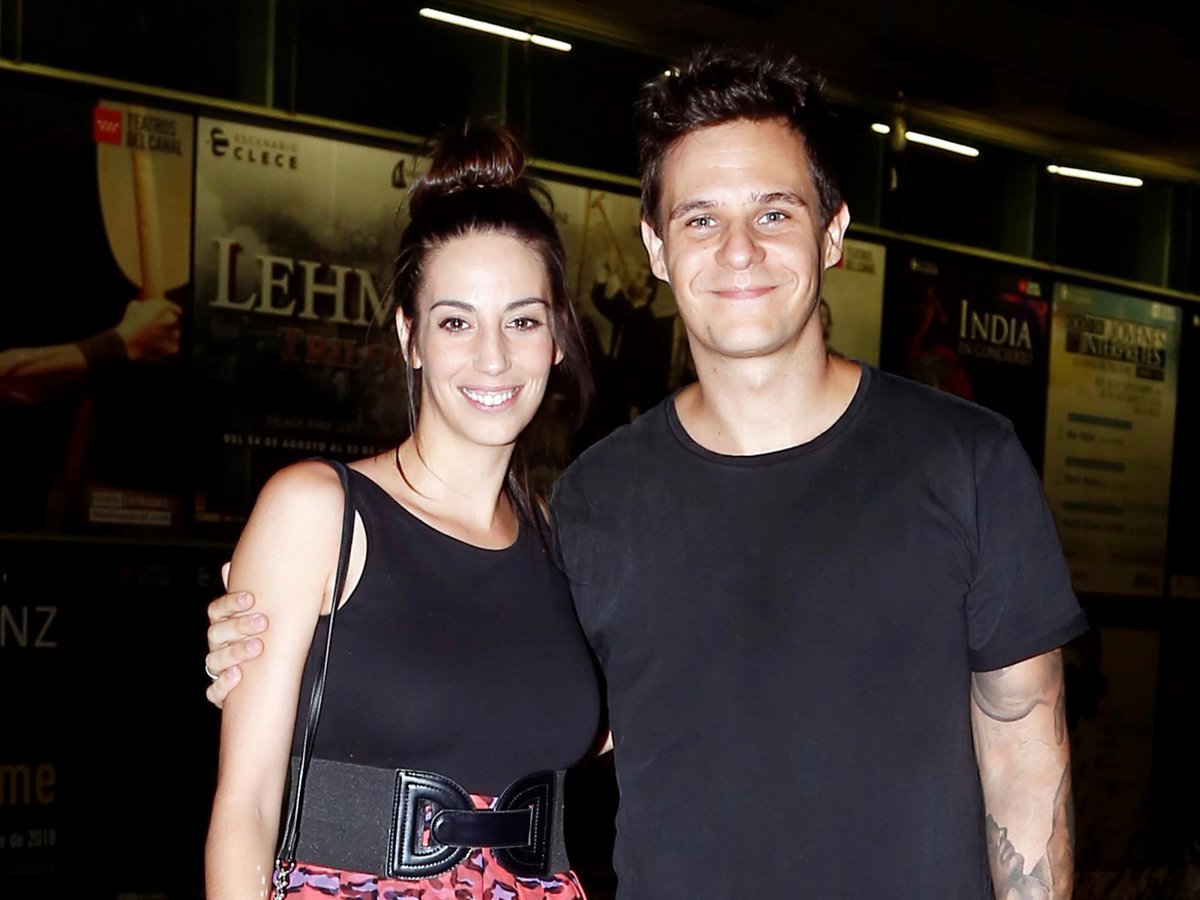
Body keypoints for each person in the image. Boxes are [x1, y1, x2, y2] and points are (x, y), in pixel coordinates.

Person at [205, 47, 1087, 898]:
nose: (738, 250)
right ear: (657, 248)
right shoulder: (593, 503)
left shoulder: (965, 461)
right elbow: (496, 688)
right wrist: (279, 640)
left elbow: (1024, 742)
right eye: (701, 218)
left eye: (774, 213)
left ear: (833, 232)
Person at [204, 123, 602, 899]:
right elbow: (244, 808)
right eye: (456, 322)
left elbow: (643, 712)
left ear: (558, 337)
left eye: (523, 320)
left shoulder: (564, 545)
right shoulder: (319, 511)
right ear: (409, 336)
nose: (493, 356)